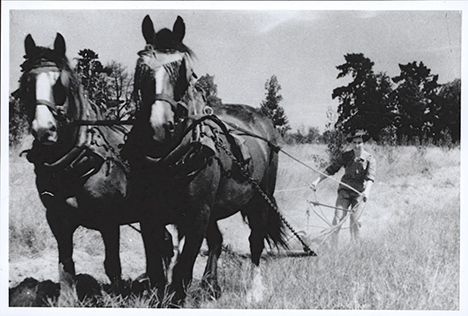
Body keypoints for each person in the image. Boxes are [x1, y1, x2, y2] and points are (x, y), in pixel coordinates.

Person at [310, 129, 376, 247]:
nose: (356, 145)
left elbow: (370, 178)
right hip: (344, 192)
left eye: (359, 142)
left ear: (363, 143)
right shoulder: (346, 156)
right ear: (351, 143)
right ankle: (334, 248)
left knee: (355, 222)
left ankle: (355, 249)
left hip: (359, 193)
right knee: (337, 219)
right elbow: (331, 169)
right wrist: (316, 181)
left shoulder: (370, 159)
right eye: (354, 142)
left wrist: (367, 192)